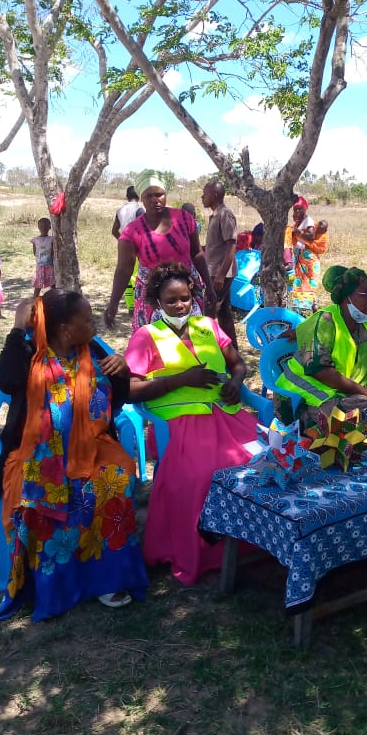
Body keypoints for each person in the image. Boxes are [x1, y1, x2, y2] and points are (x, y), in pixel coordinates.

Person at [0, 291, 148, 621]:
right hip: (39, 454)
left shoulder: (93, 350)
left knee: (114, 481)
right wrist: (18, 328)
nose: (94, 325)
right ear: (64, 330)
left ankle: (108, 579)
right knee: (42, 497)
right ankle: (56, 585)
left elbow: (117, 399)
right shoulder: (29, 354)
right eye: (87, 320)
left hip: (93, 447)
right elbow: (2, 378)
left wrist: (121, 369)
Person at [125, 263, 259, 585]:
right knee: (204, 475)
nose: (180, 306)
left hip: (224, 415)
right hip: (178, 422)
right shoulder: (146, 337)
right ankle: (206, 552)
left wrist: (235, 382)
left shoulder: (207, 326)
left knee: (261, 459)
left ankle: (252, 541)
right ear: (157, 303)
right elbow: (130, 390)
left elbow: (237, 364)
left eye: (185, 298)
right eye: (171, 301)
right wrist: (182, 379)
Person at [277, 264, 367, 426]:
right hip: (304, 390)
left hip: (343, 390)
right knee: (352, 420)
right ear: (346, 298)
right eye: (364, 295)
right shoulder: (325, 321)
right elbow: (319, 371)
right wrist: (363, 391)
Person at [104, 170, 216, 332]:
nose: (155, 200)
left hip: (185, 293)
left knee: (191, 337)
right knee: (154, 340)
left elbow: (197, 254)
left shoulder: (184, 219)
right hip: (152, 297)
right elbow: (124, 270)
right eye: (149, 196)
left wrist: (209, 287)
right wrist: (113, 304)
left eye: (159, 195)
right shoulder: (132, 232)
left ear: (165, 194)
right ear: (141, 198)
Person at [201, 180, 239, 348]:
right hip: (216, 272)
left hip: (220, 273)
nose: (202, 197)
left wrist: (221, 275)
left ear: (214, 195)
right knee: (224, 313)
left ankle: (206, 350)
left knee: (208, 311)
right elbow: (218, 245)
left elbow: (232, 244)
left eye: (205, 194)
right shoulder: (215, 215)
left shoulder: (225, 214)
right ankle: (233, 351)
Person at [286, 197, 326, 313]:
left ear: (305, 209)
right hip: (301, 256)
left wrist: (296, 231)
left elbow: (311, 236)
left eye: (299, 209)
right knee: (301, 283)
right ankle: (302, 308)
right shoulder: (299, 222)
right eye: (295, 209)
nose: (297, 211)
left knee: (308, 282)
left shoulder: (308, 221)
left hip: (308, 258)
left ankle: (312, 307)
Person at [30, 217, 55, 296]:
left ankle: (55, 299)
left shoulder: (52, 239)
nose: (43, 228)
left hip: (50, 266)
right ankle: (35, 301)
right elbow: (35, 253)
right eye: (41, 226)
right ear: (38, 227)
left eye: (46, 226)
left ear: (49, 227)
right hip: (40, 266)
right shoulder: (35, 240)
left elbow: (53, 252)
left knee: (53, 285)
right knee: (38, 286)